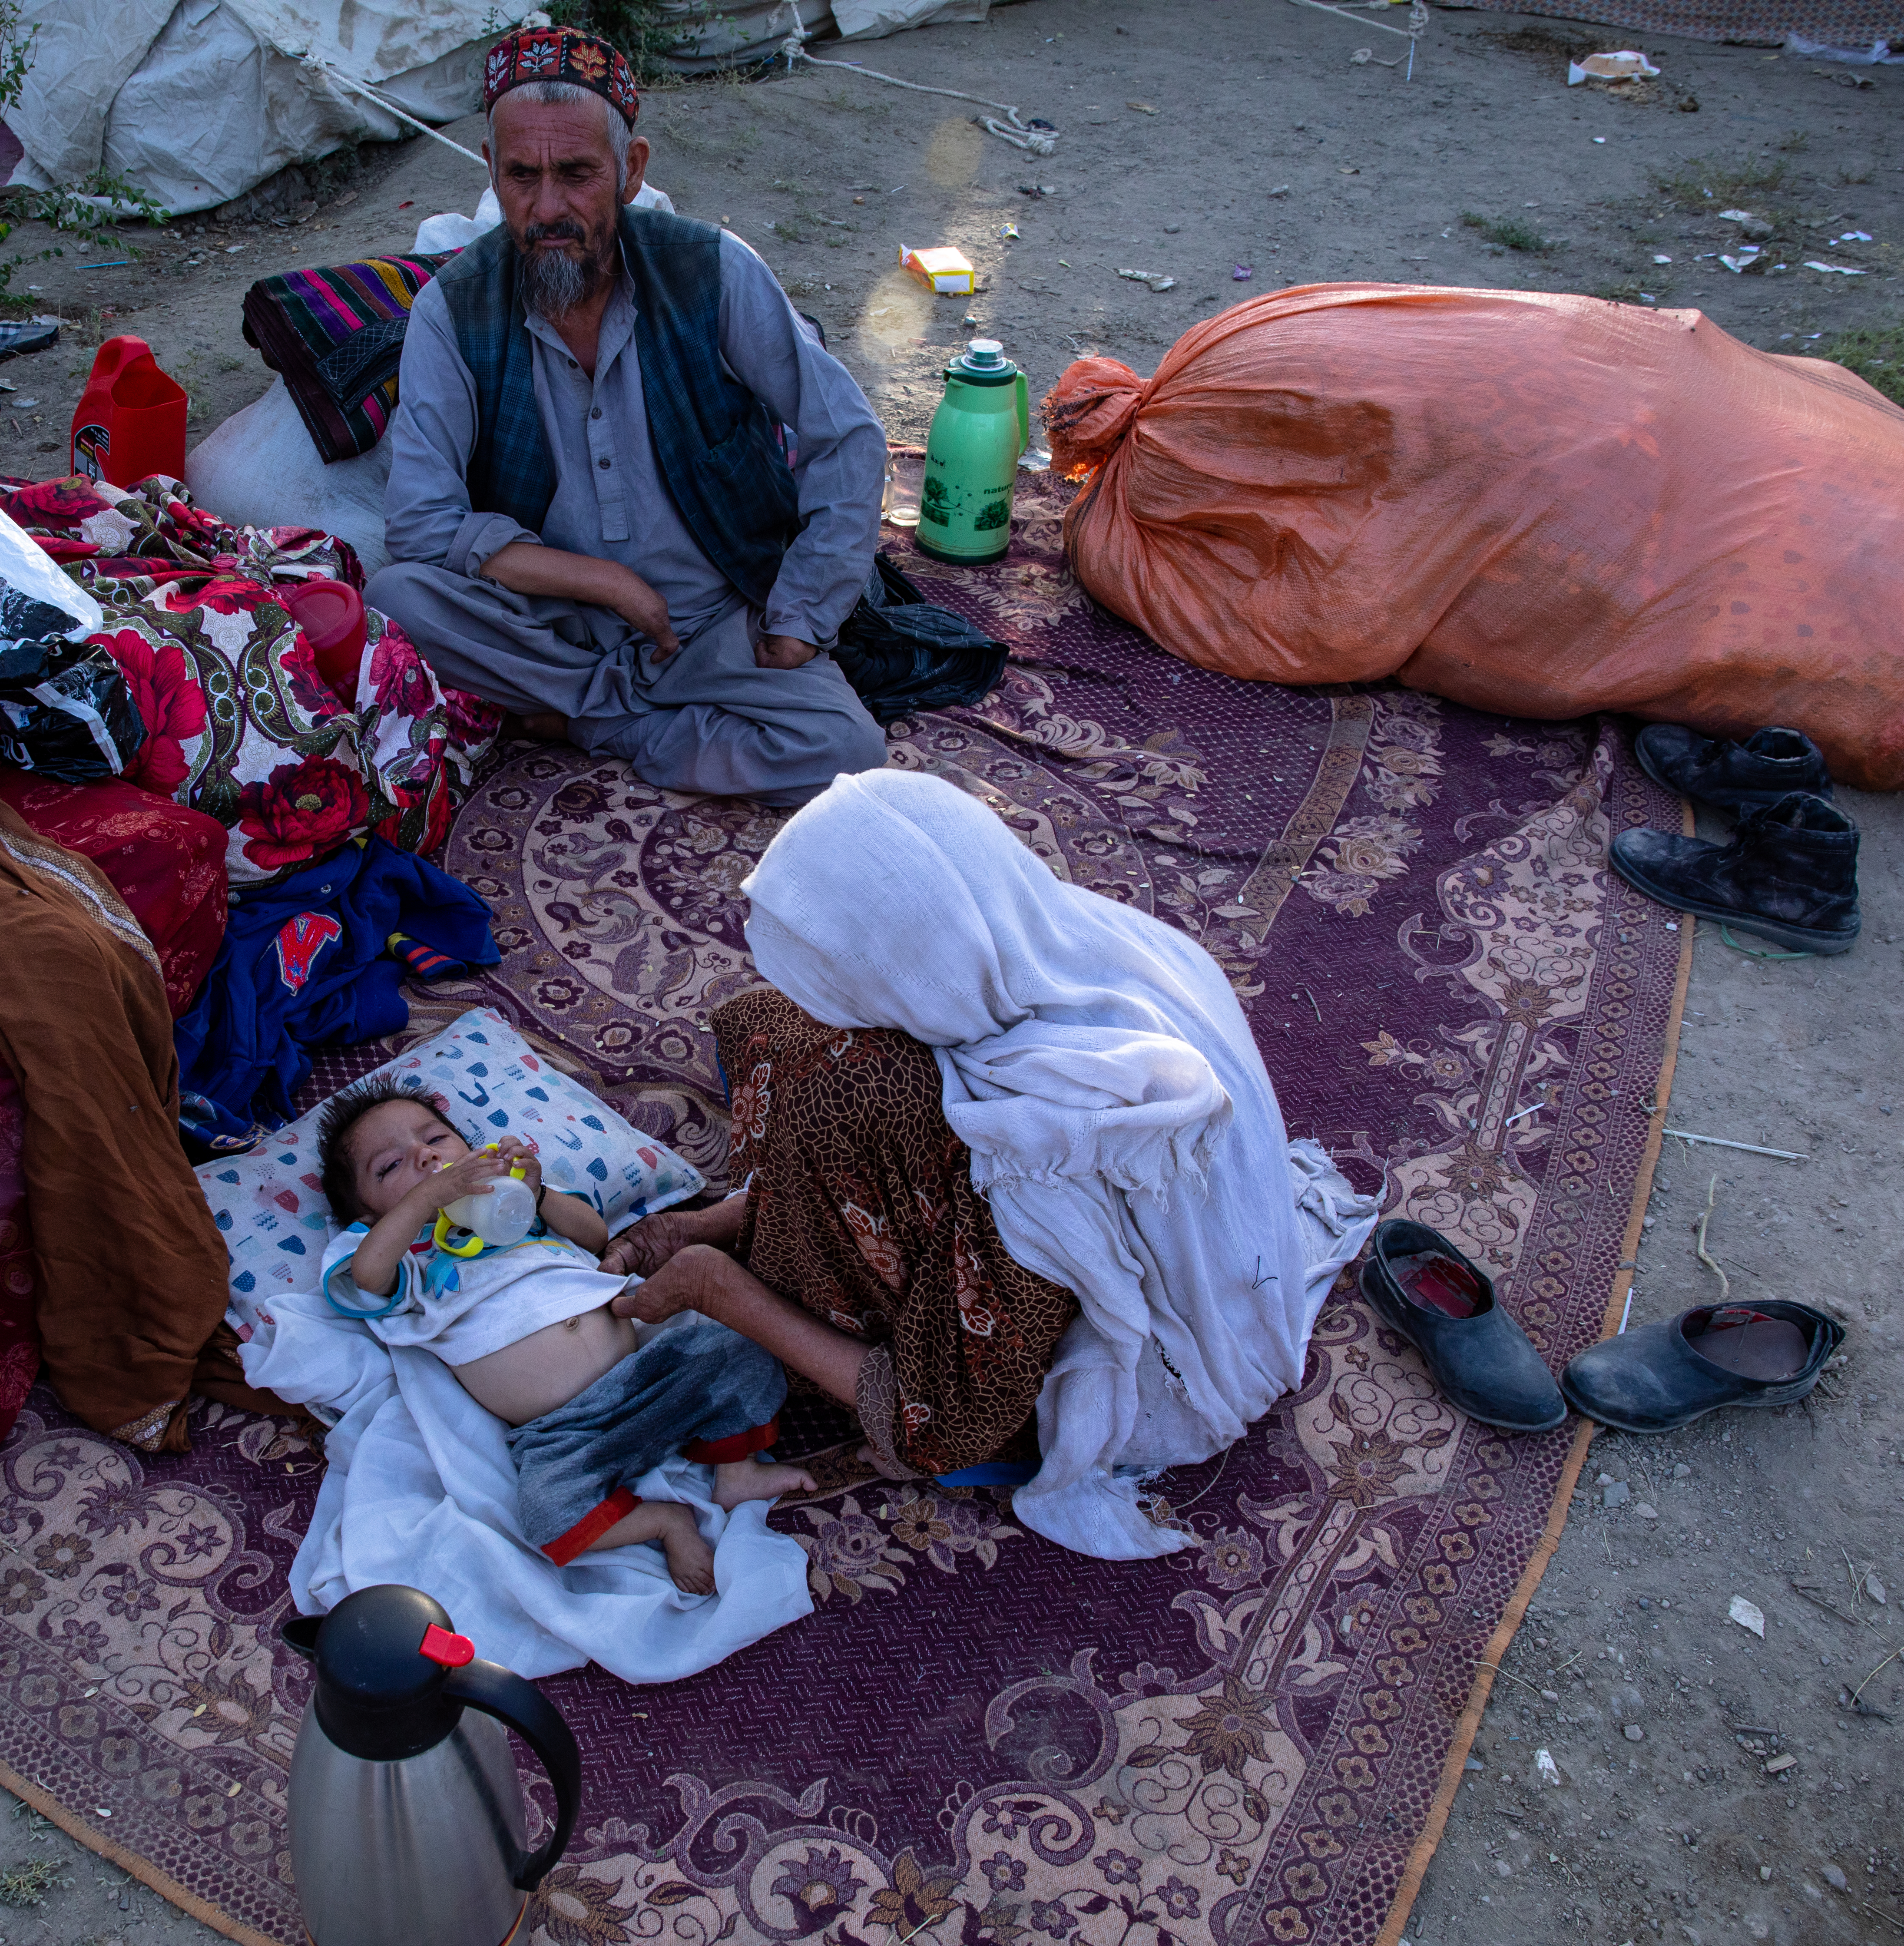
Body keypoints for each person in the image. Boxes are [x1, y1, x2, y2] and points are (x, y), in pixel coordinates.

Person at [599, 769, 1382, 1561]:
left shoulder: (1041, 1150)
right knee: (775, 1027)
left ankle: (789, 1232)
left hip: (1104, 1357)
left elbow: (942, 1424)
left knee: (831, 1083)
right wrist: (721, 1218)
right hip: (1008, 1203)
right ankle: (779, 1205)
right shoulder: (1061, 940)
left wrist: (718, 1287)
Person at [371, 25, 890, 807]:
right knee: (395, 602)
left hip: (714, 622)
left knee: (846, 754)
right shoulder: (455, 308)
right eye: (521, 176)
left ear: (631, 171)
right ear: (492, 172)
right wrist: (602, 583)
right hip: (552, 621)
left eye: (577, 174)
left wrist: (804, 614)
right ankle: (619, 713)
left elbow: (844, 436)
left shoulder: (711, 270)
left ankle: (579, 719)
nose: (548, 207)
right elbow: (419, 523)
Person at [317, 1080, 812, 1591]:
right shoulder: (409, 1255)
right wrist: (425, 1202)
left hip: (648, 1372)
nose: (423, 1158)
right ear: (368, 1215)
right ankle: (664, 1521)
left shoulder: (516, 1208)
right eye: (390, 1166)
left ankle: (736, 1473)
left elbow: (595, 1237)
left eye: (436, 1139)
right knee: (544, 1514)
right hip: (563, 1431)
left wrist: (539, 1193)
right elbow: (368, 1275)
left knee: (742, 1345)